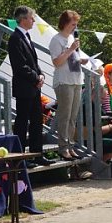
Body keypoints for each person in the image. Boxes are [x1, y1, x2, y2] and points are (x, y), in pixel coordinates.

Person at [7, 5, 52, 167]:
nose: (33, 20)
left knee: (36, 121)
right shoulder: (15, 38)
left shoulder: (26, 36)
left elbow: (33, 61)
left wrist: (40, 75)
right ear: (23, 19)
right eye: (31, 17)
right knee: (22, 122)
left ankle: (37, 154)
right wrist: (35, 77)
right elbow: (20, 66)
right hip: (24, 87)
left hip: (33, 87)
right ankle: (20, 158)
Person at [48, 10, 87, 160]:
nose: (75, 27)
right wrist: (71, 49)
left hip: (76, 80)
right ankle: (63, 147)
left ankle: (70, 146)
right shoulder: (56, 40)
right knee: (65, 116)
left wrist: (80, 59)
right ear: (65, 24)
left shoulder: (72, 38)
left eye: (76, 24)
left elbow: (72, 58)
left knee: (73, 117)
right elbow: (57, 62)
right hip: (64, 81)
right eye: (73, 24)